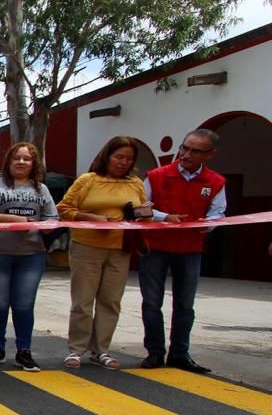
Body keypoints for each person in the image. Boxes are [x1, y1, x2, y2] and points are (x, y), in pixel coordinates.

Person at [138, 129, 227, 373]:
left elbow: (218, 212)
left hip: (190, 249)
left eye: (195, 151)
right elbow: (140, 208)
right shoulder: (156, 175)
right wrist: (165, 217)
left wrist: (209, 224)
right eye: (185, 147)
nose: (186, 154)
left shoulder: (216, 182)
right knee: (152, 302)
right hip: (154, 247)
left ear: (210, 154)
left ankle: (180, 354)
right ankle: (155, 353)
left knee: (185, 304)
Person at [57, 136, 148, 370]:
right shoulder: (88, 180)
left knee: (110, 301)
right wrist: (92, 218)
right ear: (107, 156)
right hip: (87, 247)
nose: (123, 162)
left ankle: (101, 350)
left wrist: (144, 213)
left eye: (129, 159)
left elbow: (142, 211)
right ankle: (76, 350)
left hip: (120, 249)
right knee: (83, 301)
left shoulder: (136, 183)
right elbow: (64, 209)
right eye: (119, 157)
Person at [0, 142, 58, 372]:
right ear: (9, 161)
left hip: (30, 255)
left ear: (34, 163)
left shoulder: (42, 190)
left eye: (26, 159)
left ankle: (24, 350)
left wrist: (47, 227)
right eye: (17, 158)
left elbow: (52, 219)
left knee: (24, 305)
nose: (21, 162)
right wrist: (20, 221)